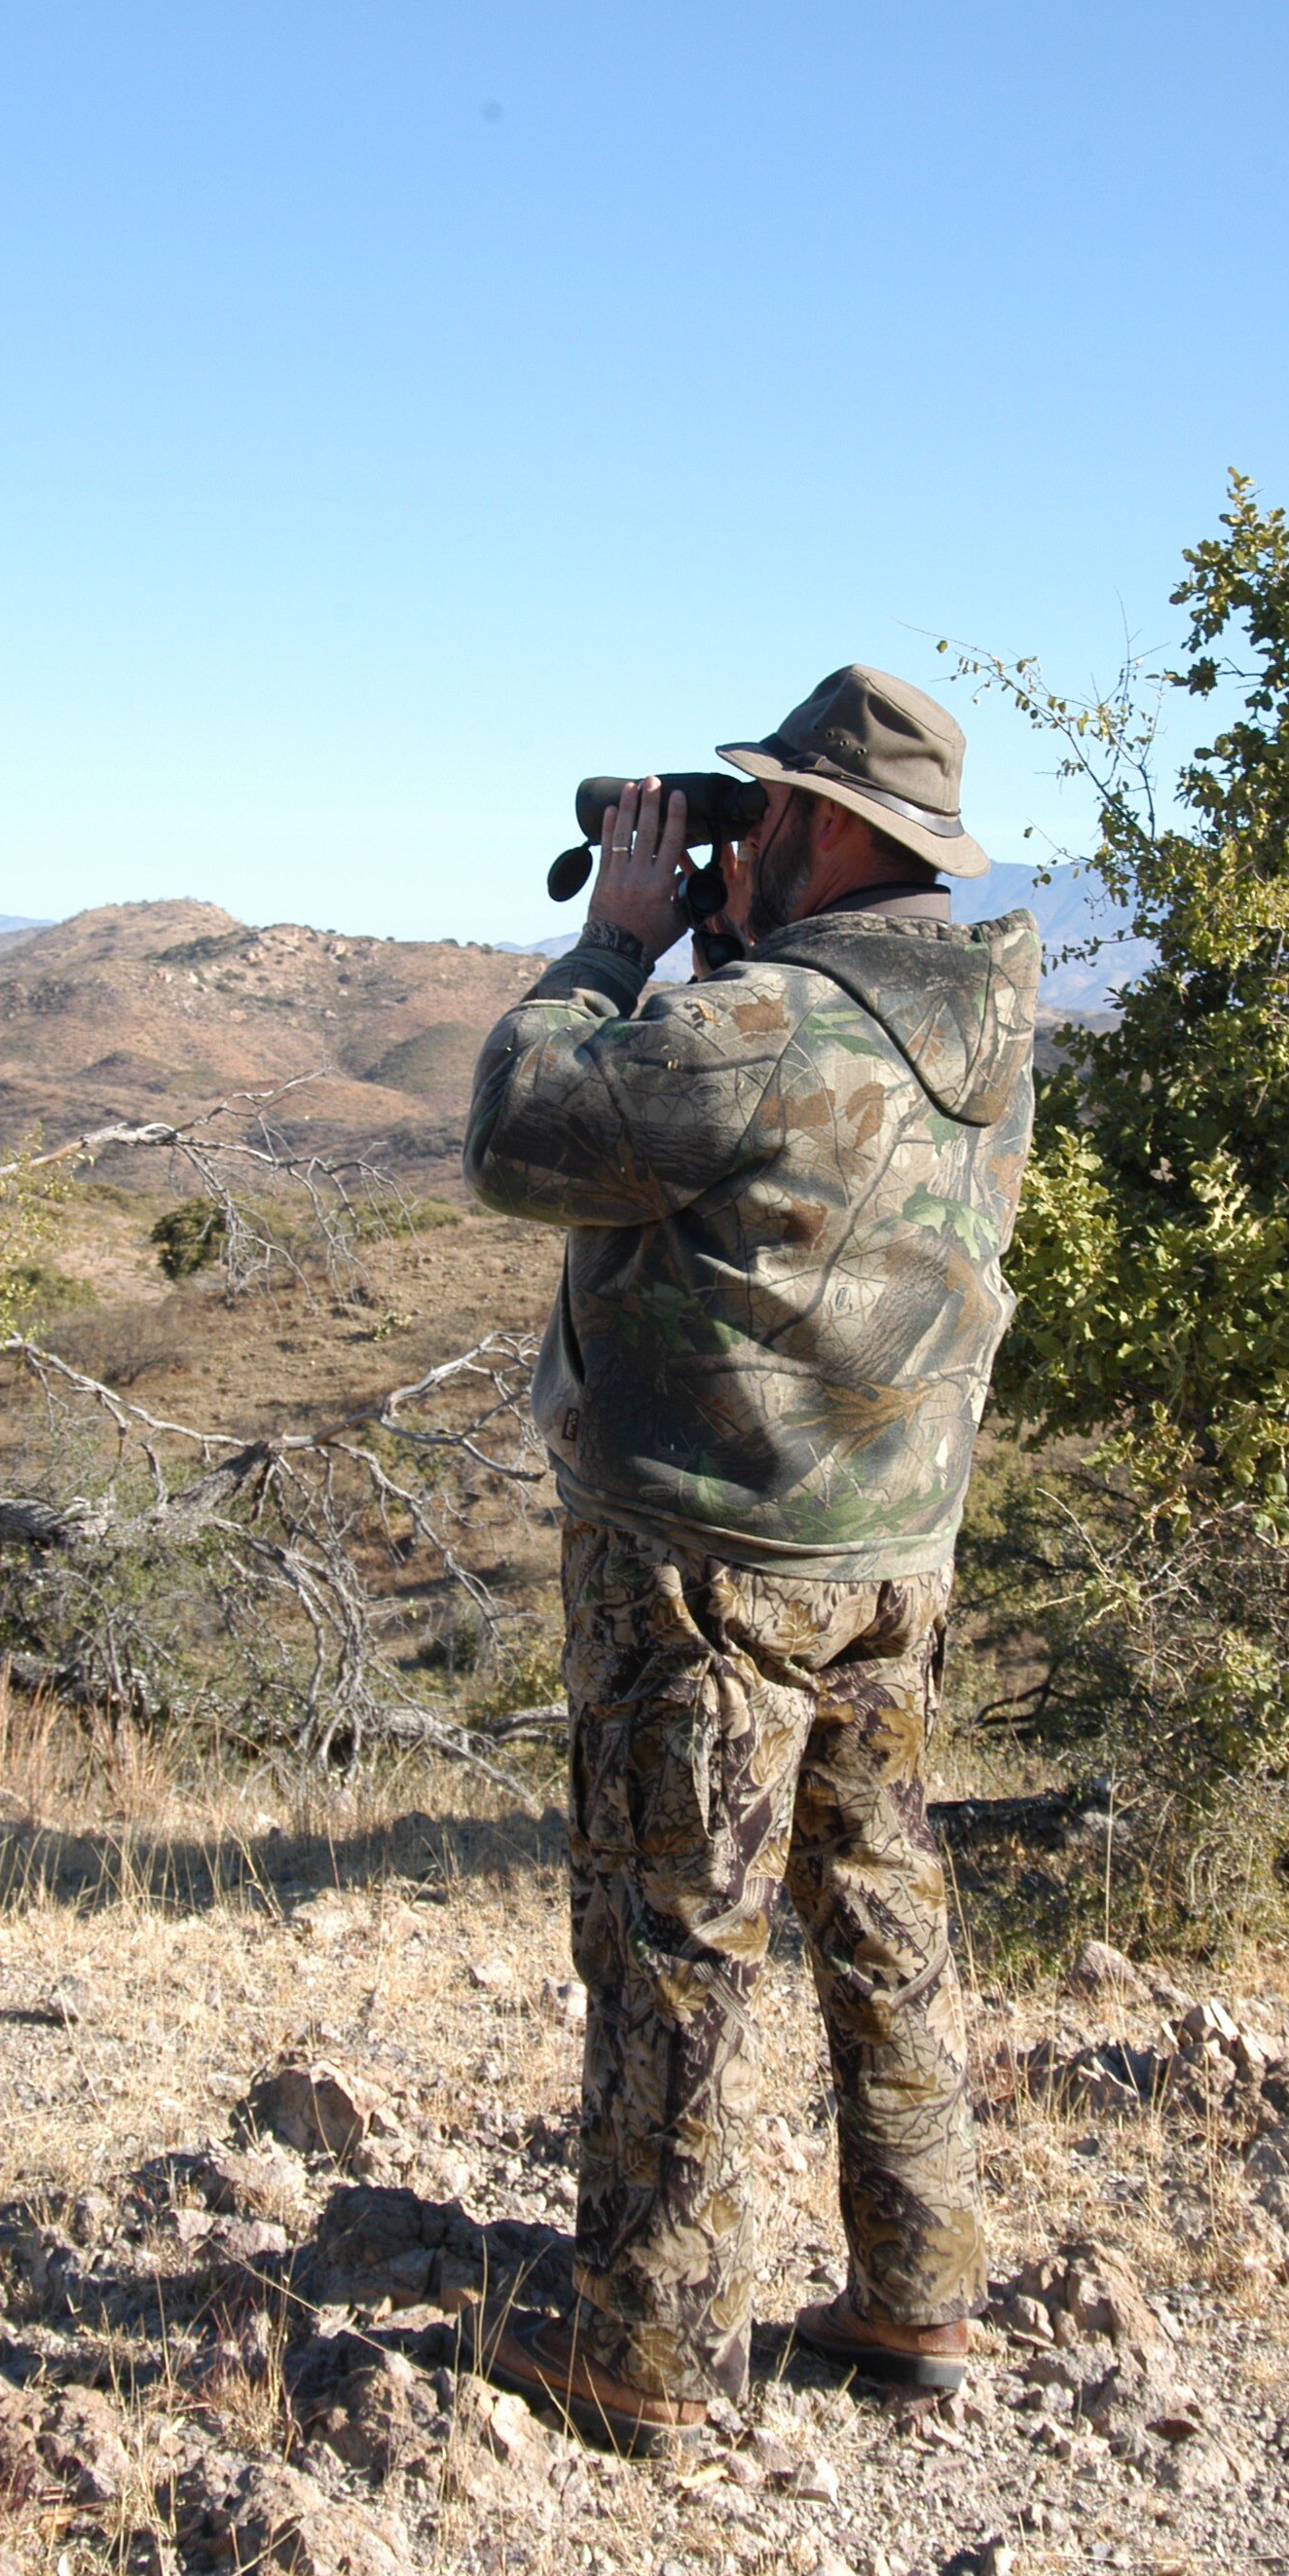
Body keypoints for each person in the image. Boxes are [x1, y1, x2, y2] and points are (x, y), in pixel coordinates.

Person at [462, 664, 1039, 2451]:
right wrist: (737, 928)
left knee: (672, 1936)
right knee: (879, 1908)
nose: (728, 836)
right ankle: (919, 2288)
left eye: (756, 810)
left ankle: (640, 2345)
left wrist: (617, 942)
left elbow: (522, 1133)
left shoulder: (768, 1028)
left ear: (828, 829)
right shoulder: (985, 1010)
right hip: (888, 1546)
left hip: (707, 1560)